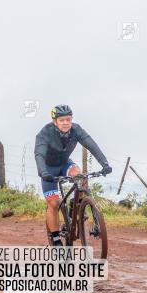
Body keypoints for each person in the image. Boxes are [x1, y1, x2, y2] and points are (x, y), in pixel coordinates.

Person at [34, 104, 112, 246]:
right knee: (54, 203)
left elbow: (92, 145)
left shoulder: (76, 130)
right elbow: (39, 154)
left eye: (68, 120)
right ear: (55, 121)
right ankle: (56, 239)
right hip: (48, 169)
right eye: (62, 120)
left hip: (64, 164)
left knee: (79, 176)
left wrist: (104, 163)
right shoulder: (45, 133)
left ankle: (76, 204)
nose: (65, 123)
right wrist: (42, 172)